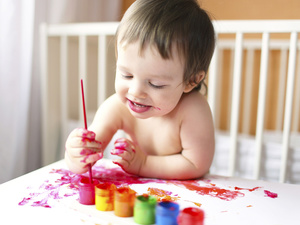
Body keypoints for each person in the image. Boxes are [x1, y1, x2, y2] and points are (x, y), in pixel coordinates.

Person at [65, 0, 215, 180]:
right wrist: (77, 154)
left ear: (191, 80)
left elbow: (196, 164)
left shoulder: (193, 110)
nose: (135, 92)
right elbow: (89, 153)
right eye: (126, 75)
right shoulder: (116, 107)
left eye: (155, 84)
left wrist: (143, 164)